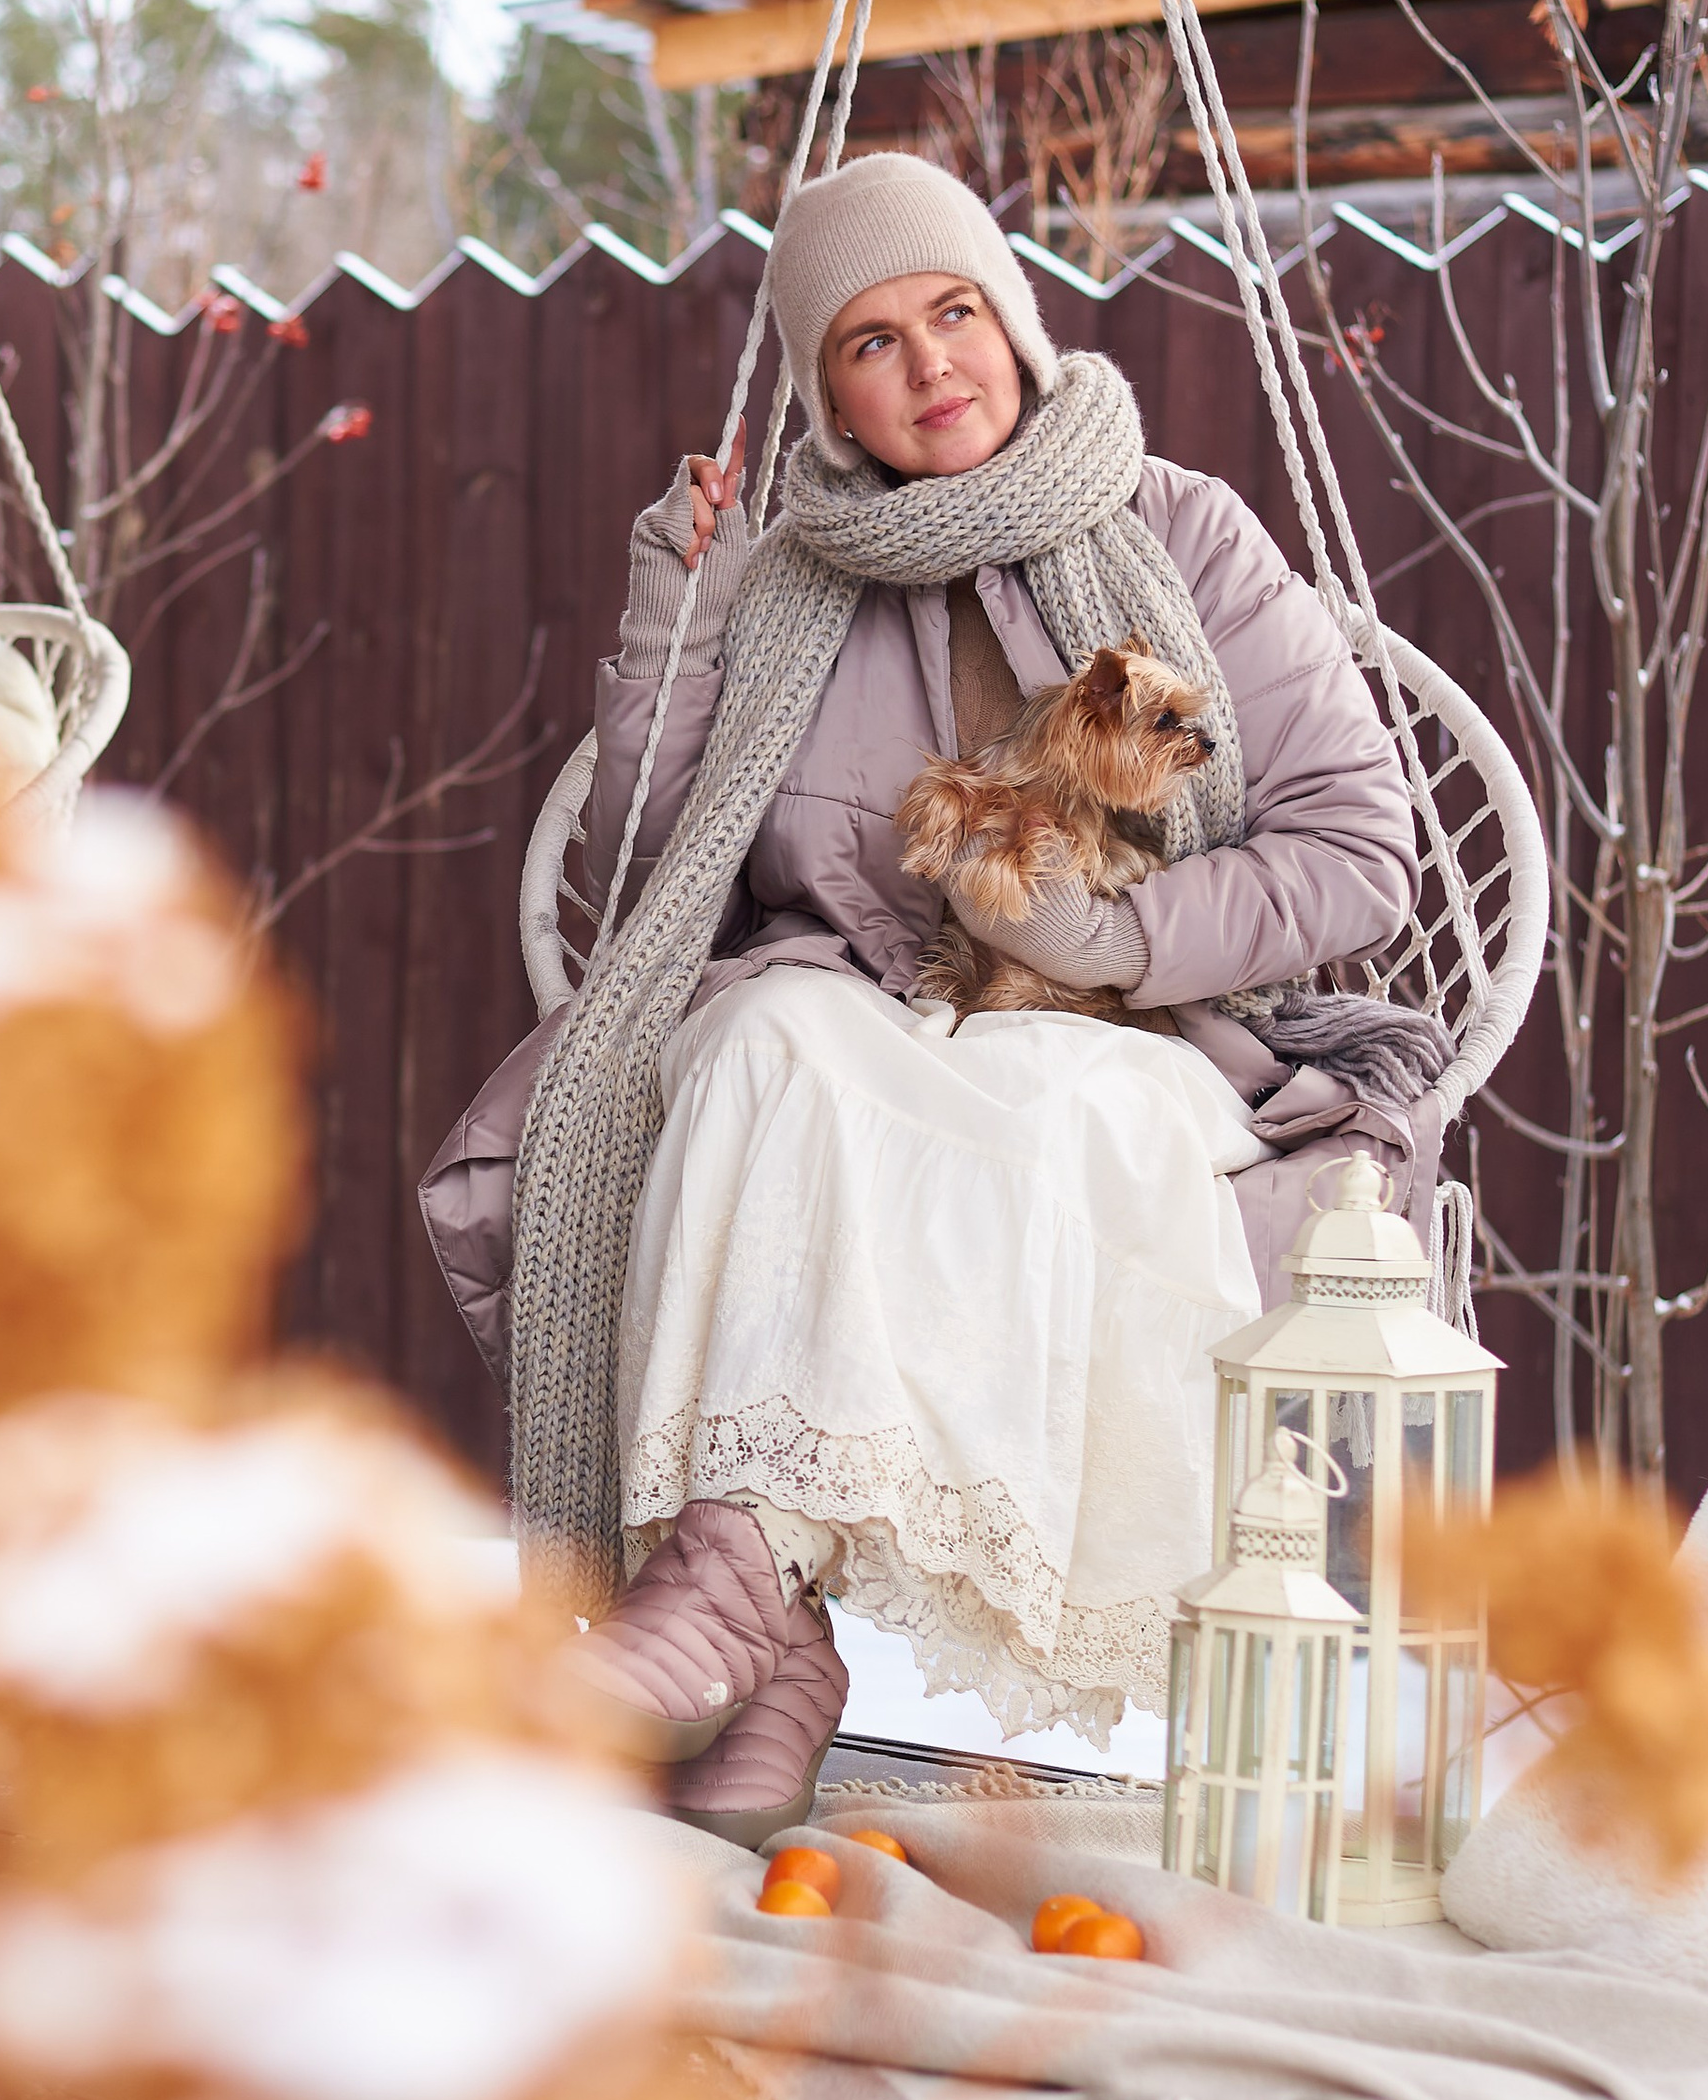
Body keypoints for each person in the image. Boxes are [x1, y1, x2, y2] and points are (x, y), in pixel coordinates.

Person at [420, 152, 1442, 1840]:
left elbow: (1358, 852)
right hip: (864, 998)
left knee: (1047, 1105)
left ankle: (738, 1615)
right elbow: (653, 875)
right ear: (828, 393)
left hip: (1129, 1026)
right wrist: (677, 619)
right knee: (760, 1046)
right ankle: (759, 1619)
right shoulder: (788, 576)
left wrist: (1115, 937)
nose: (930, 365)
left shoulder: (1182, 530)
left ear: (1013, 321)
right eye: (871, 342)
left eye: (954, 311)